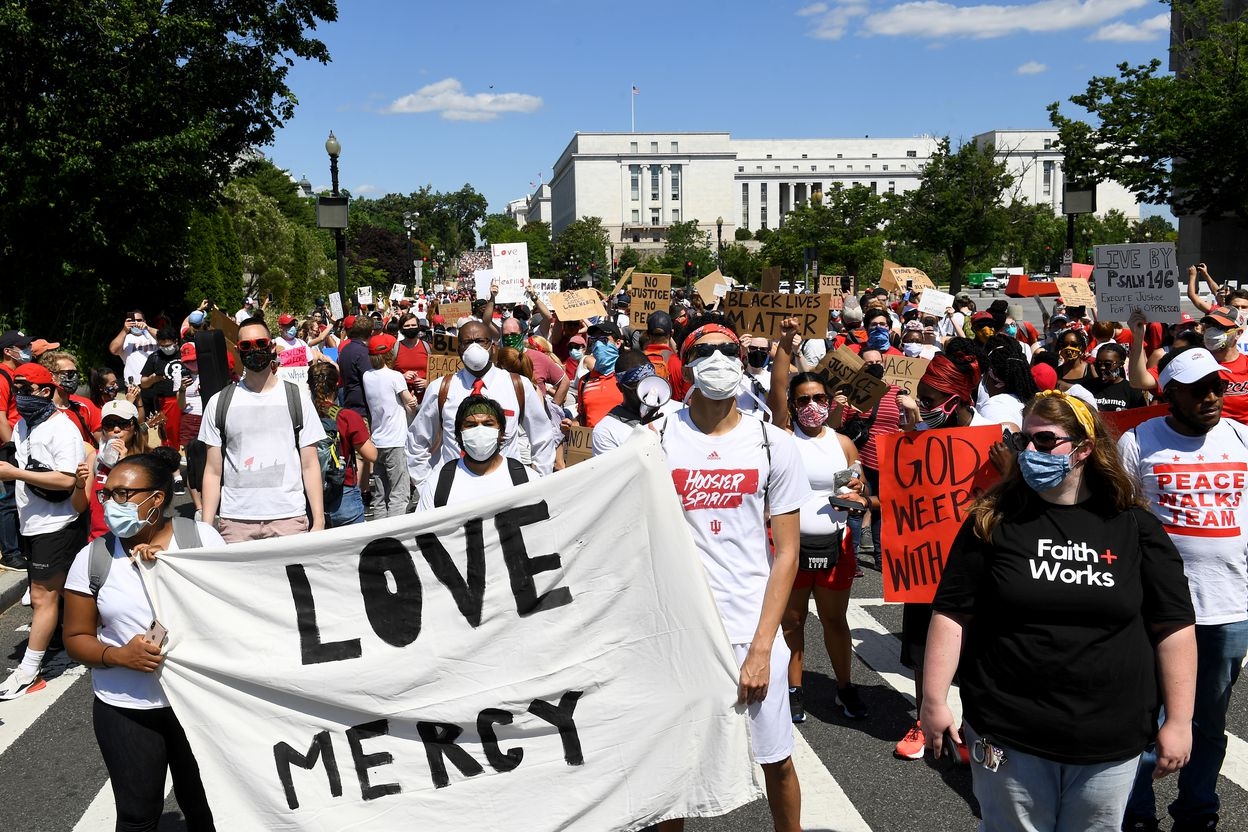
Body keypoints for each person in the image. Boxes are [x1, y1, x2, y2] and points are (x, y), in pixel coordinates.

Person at [922, 389, 1197, 832]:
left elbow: (1174, 627)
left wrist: (1180, 721)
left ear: (1084, 448)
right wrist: (933, 699)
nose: (1031, 451)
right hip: (1007, 729)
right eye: (1023, 441)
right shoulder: (992, 520)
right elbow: (953, 612)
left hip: (1110, 736)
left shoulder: (1134, 526)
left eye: (1046, 441)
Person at [656, 317, 807, 832]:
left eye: (729, 351)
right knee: (672, 771)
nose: (717, 361)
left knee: (777, 761)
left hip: (749, 628)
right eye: (705, 351)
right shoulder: (654, 437)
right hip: (678, 633)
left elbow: (787, 553)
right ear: (686, 365)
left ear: (743, 364)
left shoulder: (773, 443)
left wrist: (764, 647)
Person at [1119, 348, 1248, 831]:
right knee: (1145, 722)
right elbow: (1122, 516)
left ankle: (1197, 813)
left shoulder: (1242, 439)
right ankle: (1136, 815)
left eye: (1217, 386)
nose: (1212, 397)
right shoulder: (1138, 442)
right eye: (1198, 389)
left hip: (1228, 607)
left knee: (1209, 725)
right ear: (1170, 393)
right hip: (1158, 609)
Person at [62, 449, 219, 831]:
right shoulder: (92, 558)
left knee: (208, 806)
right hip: (126, 708)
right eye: (107, 493)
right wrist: (118, 656)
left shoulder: (202, 541)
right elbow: (76, 637)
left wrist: (167, 570)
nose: (110, 504)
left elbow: (230, 613)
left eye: (122, 494)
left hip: (199, 704)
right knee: (136, 816)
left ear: (157, 498)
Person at [891, 349, 990, 760]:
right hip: (926, 561)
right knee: (920, 642)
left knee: (976, 647)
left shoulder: (995, 434)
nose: (922, 406)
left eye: (930, 401)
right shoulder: (917, 433)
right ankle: (924, 719)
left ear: (957, 401)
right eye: (921, 397)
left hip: (976, 564)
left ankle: (971, 727)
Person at [770, 362, 870, 724]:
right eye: (804, 400)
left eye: (819, 398)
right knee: (792, 623)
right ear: (792, 406)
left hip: (835, 545)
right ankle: (794, 689)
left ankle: (844, 687)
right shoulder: (782, 437)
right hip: (791, 550)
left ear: (830, 400)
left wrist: (860, 491)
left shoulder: (842, 443)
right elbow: (776, 388)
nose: (813, 405)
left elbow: (858, 484)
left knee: (834, 620)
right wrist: (784, 348)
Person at [0, 363, 87, 699]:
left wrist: (16, 475)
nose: (19, 396)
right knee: (68, 589)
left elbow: (67, 480)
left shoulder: (62, 430)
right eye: (16, 388)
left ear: (46, 391)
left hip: (57, 524)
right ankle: (96, 633)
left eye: (25, 388)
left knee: (42, 597)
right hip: (30, 523)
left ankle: (28, 670)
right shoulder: (23, 425)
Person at [198, 317, 326, 542]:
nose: (254, 349)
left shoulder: (298, 398)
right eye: (246, 345)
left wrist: (319, 521)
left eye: (260, 342)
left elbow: (310, 464)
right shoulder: (219, 403)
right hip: (235, 521)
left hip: (289, 518)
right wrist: (207, 528)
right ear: (238, 350)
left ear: (272, 346)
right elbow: (212, 470)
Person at [406, 320, 556, 489]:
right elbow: (417, 441)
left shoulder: (517, 385)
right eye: (467, 342)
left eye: (480, 341)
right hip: (456, 489)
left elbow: (542, 436)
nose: (474, 347)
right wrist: (427, 485)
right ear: (459, 349)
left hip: (506, 488)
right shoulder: (440, 389)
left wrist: (539, 481)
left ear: (492, 347)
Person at [415, 395, 536, 509]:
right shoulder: (438, 483)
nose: (480, 431)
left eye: (488, 424)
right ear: (459, 434)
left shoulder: (528, 479)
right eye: (471, 425)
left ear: (501, 432)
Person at [308, 363, 376, 528]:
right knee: (352, 550)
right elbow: (371, 455)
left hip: (310, 496)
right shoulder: (347, 417)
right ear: (336, 384)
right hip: (344, 493)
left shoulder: (303, 416)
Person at [362, 333, 417, 518]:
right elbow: (410, 404)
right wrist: (414, 403)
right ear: (389, 355)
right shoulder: (395, 377)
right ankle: (396, 532)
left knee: (380, 493)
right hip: (396, 440)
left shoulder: (367, 376)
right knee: (399, 492)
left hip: (377, 439)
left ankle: (380, 529)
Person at [590, 351, 678, 454]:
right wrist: (641, 436)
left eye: (650, 382)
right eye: (637, 387)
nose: (649, 394)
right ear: (620, 388)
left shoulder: (677, 413)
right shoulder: (605, 431)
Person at [41, 349, 102, 444]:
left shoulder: (84, 407)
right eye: (69, 373)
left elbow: (101, 440)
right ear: (52, 376)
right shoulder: (39, 410)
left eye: (76, 373)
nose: (74, 378)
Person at [140, 327, 187, 450]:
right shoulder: (154, 357)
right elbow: (143, 383)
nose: (166, 348)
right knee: (168, 434)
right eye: (162, 346)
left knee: (188, 432)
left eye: (168, 345)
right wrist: (153, 379)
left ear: (176, 341)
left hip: (189, 399)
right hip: (165, 401)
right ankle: (170, 456)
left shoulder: (185, 353)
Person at [576, 321, 625, 428]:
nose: (598, 345)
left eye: (604, 340)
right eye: (594, 341)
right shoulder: (585, 381)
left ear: (617, 343)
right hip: (592, 443)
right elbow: (582, 417)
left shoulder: (627, 378)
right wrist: (572, 425)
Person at [1087, 342, 1146, 412]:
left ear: (1121, 364)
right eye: (1098, 363)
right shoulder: (1087, 387)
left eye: (1107, 364)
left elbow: (1142, 415)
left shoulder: (1132, 390)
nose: (1102, 367)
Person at [108, 309, 158, 391]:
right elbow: (113, 350)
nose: (136, 323)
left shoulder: (152, 335)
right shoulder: (125, 338)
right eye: (133, 321)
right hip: (134, 384)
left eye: (139, 320)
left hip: (154, 381)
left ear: (144, 321)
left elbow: (167, 338)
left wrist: (148, 328)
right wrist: (124, 330)